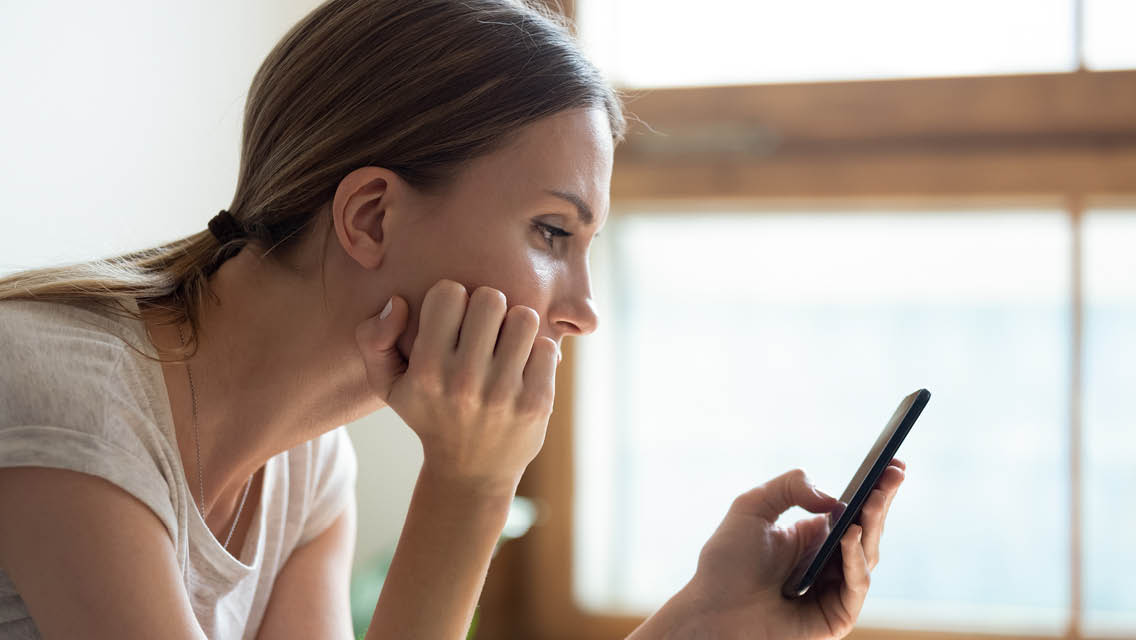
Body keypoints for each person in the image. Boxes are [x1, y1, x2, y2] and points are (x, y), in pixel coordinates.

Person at [0, 0, 905, 638]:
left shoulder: (310, 471)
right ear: (370, 217)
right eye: (553, 231)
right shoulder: (65, 401)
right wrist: (471, 489)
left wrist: (702, 626)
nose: (582, 311)